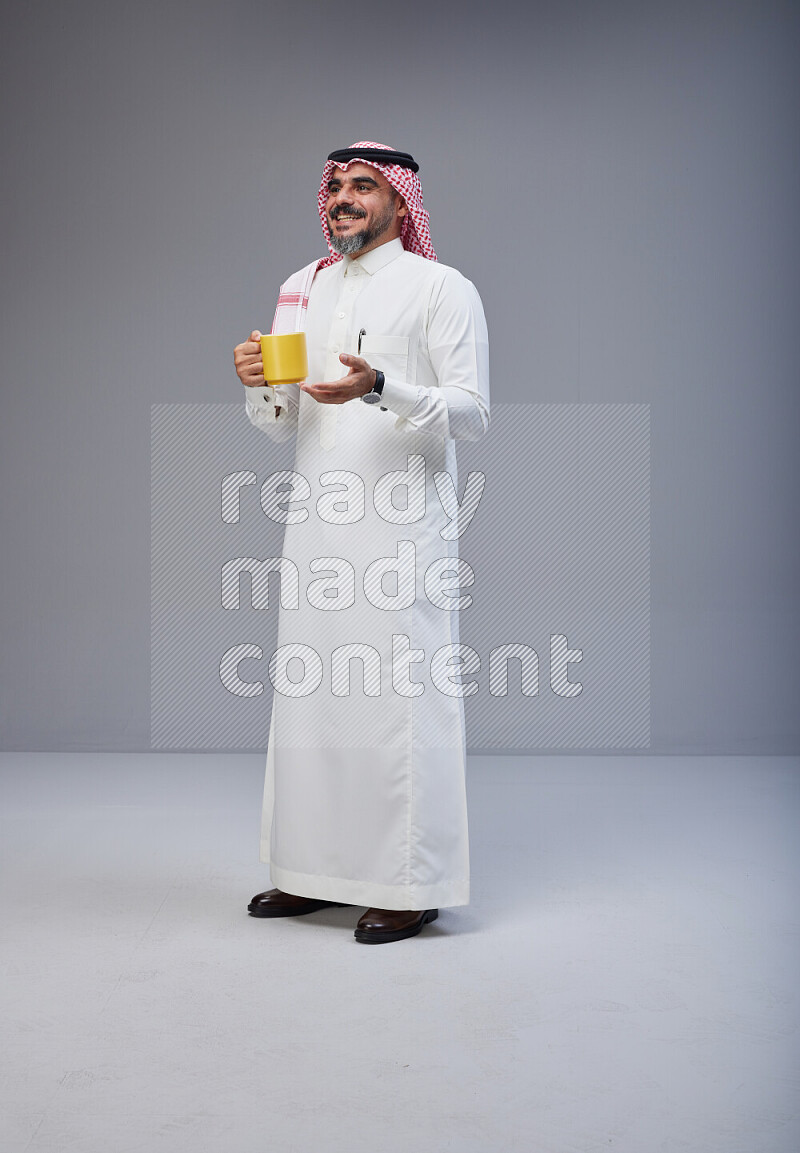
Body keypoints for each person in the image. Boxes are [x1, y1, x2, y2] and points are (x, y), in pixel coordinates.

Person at [233, 141, 490, 944]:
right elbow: (282, 426)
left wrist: (379, 384)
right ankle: (310, 874)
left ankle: (410, 885)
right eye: (337, 185)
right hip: (315, 527)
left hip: (402, 531)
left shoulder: (441, 288)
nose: (345, 198)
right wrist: (260, 383)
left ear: (401, 202)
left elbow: (474, 413)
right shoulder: (301, 288)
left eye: (365, 186)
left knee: (397, 705)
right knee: (312, 701)